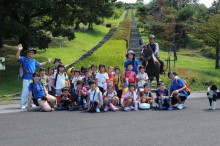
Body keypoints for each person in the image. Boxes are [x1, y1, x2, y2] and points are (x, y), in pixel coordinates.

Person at [16, 44, 52, 110]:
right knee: (25, 91)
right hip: (27, 77)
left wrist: (47, 62)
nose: (32, 53)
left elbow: (40, 64)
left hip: (34, 78)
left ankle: (31, 103)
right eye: (30, 52)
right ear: (27, 53)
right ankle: (22, 104)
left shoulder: (34, 60)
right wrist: (19, 50)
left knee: (33, 91)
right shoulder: (24, 59)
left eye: (32, 52)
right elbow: (17, 57)